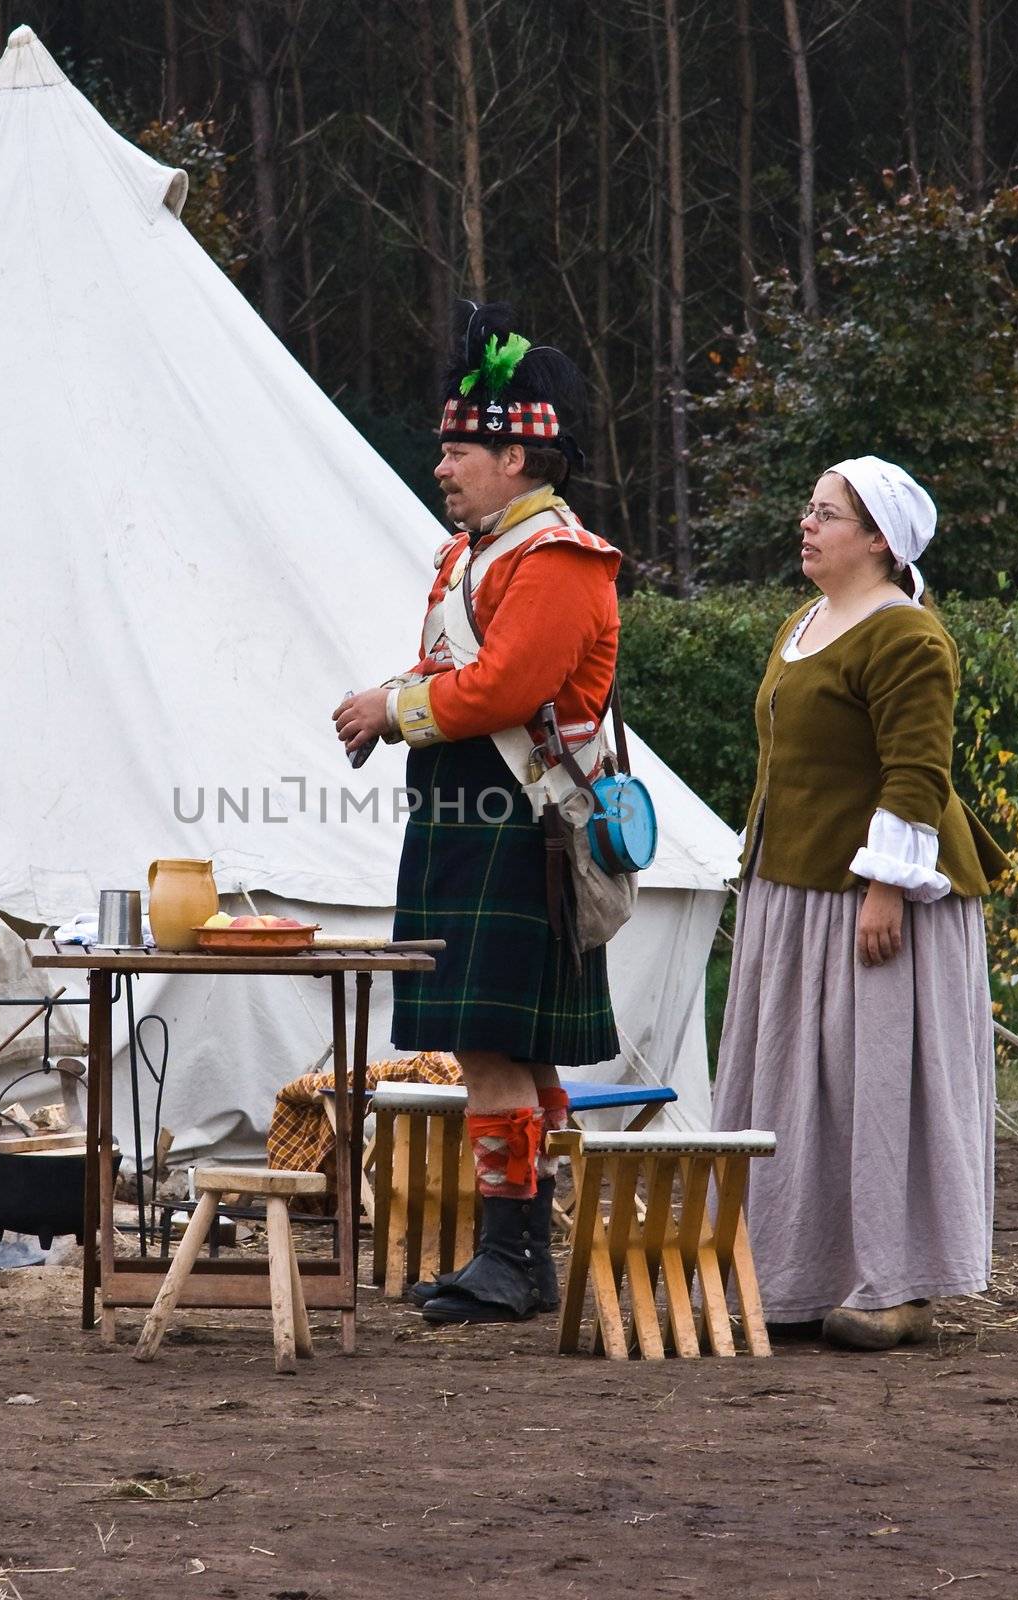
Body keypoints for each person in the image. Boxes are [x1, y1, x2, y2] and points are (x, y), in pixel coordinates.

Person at [333, 301, 623, 1325]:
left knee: (495, 1048)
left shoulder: (558, 561)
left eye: (460, 449)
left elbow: (501, 690)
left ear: (517, 458)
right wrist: (393, 708)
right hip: (469, 818)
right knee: (503, 1048)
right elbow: (455, 668)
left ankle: (513, 1259)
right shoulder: (473, 557)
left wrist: (393, 708)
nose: (443, 466)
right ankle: (520, 1255)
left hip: (515, 826)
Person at [711, 457, 1010, 1350]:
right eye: (807, 508)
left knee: (878, 1088)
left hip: (882, 899)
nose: (806, 524)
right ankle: (796, 1274)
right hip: (793, 891)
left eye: (826, 513)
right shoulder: (803, 624)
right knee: (799, 1089)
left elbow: (919, 769)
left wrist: (885, 884)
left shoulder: (907, 636)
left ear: (877, 538)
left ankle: (898, 1284)